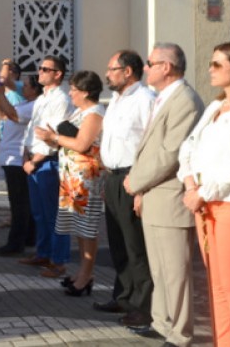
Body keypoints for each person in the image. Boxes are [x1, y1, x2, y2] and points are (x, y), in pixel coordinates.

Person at [176, 41, 230, 346]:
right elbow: (187, 147)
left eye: (217, 64)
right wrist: (190, 185)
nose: (210, 69)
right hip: (204, 205)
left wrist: (204, 191)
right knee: (216, 287)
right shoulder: (214, 106)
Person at [124, 43, 203, 346]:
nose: (145, 68)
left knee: (176, 272)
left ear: (166, 67)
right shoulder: (163, 97)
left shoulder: (185, 100)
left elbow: (171, 153)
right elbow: (150, 148)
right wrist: (141, 186)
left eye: (150, 62)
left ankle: (181, 333)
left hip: (170, 197)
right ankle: (161, 322)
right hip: (154, 194)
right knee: (159, 269)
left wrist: (136, 181)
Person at [94, 50, 154, 325]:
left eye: (111, 68)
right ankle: (123, 297)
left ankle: (143, 307)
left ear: (127, 71)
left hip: (134, 178)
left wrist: (141, 186)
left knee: (136, 246)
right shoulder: (116, 100)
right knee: (117, 244)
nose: (107, 74)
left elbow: (150, 146)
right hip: (114, 177)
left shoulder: (146, 100)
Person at [35, 70, 104, 296]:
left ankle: (86, 275)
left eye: (74, 89)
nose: (71, 93)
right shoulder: (79, 112)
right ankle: (83, 273)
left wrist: (54, 138)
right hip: (72, 179)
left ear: (85, 92)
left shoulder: (94, 114)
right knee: (78, 228)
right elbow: (70, 143)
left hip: (86, 180)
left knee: (87, 228)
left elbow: (82, 144)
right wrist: (54, 139)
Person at [20, 55, 72, 278]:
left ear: (57, 74)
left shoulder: (61, 98)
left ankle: (58, 261)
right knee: (39, 212)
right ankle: (43, 252)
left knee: (53, 214)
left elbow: (53, 137)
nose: (39, 72)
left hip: (47, 161)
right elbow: (33, 129)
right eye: (39, 69)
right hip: (33, 160)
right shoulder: (42, 98)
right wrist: (25, 155)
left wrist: (34, 160)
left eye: (45, 69)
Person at [0, 62, 40, 256]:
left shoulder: (34, 105)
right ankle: (29, 237)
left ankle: (16, 243)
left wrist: (0, 94)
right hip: (11, 157)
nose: (23, 87)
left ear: (35, 89)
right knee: (23, 202)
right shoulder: (25, 103)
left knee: (19, 204)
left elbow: (11, 115)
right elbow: (3, 114)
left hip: (18, 158)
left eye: (27, 85)